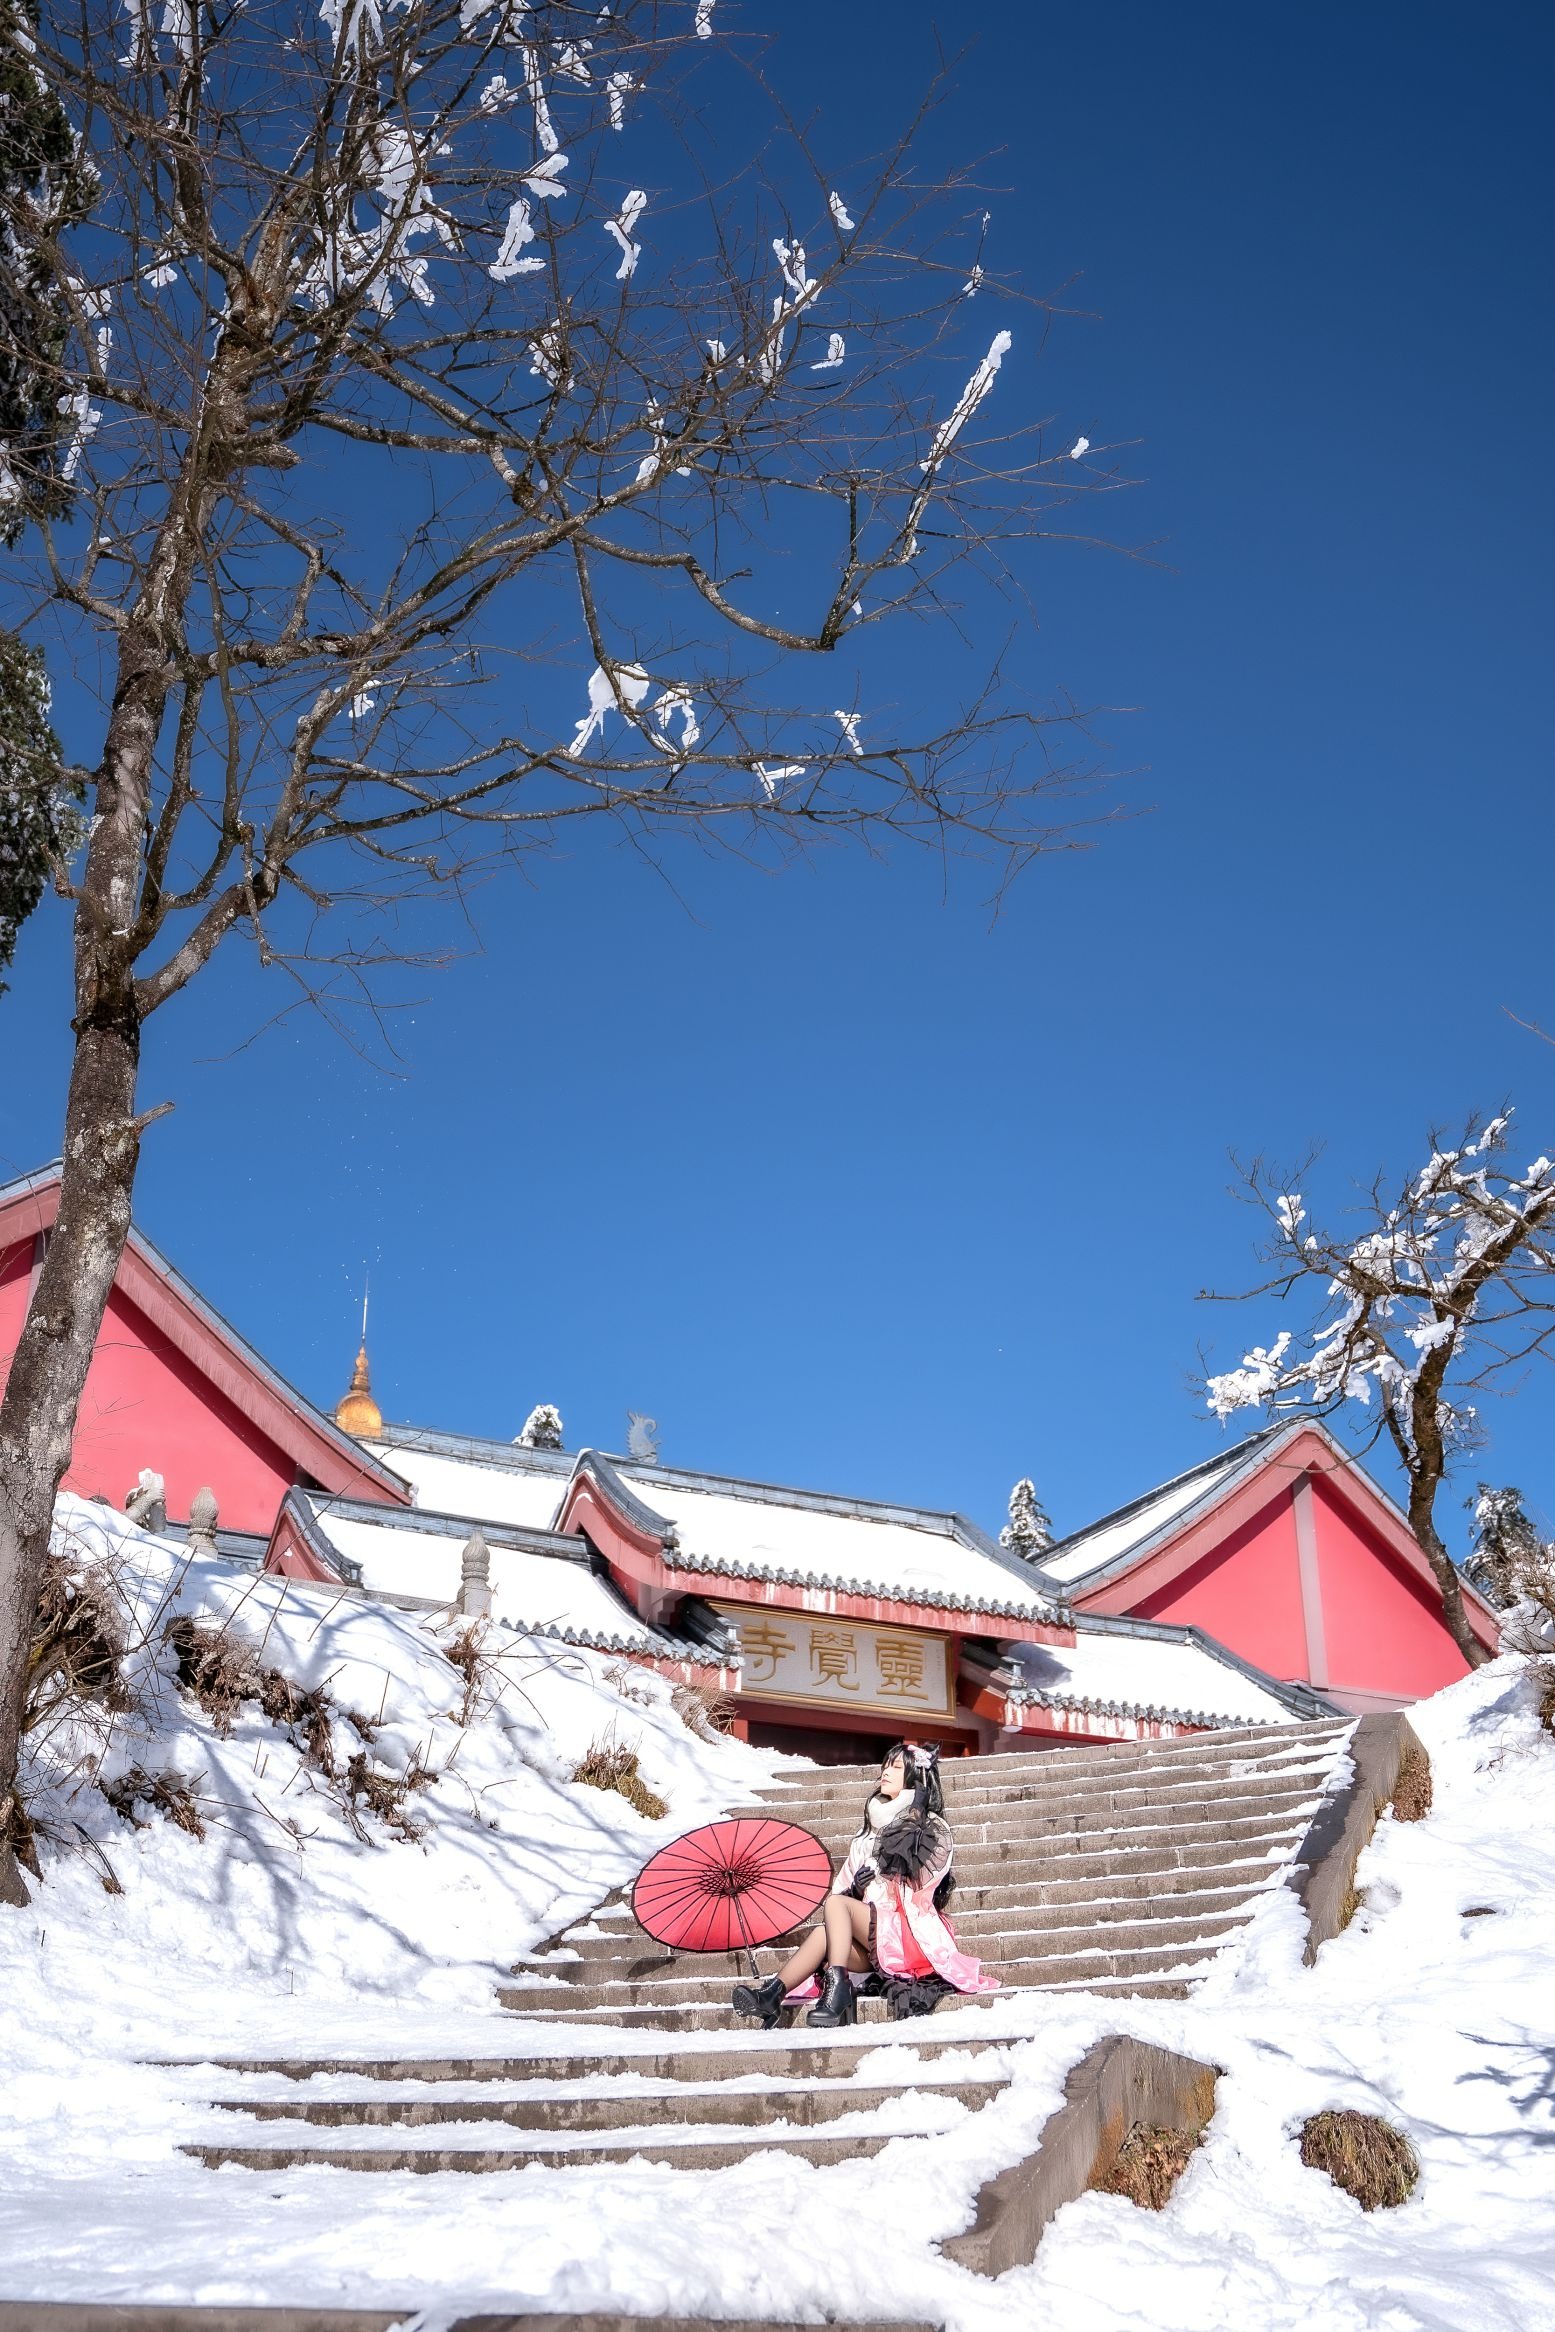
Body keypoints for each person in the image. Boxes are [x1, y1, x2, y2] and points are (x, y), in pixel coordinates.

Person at [731, 1740, 1000, 2029]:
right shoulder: (866, 1836)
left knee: (835, 1908)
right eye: (885, 1765)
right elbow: (840, 1890)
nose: (885, 1772)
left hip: (907, 1934)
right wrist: (855, 1891)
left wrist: (915, 1816)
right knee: (827, 1930)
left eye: (896, 1767)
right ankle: (772, 1995)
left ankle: (836, 1992)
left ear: (914, 1778)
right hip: (874, 1940)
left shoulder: (932, 1828)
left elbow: (924, 1882)